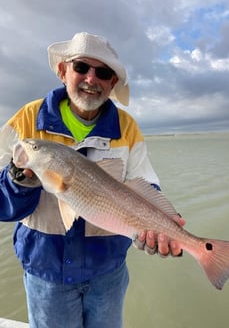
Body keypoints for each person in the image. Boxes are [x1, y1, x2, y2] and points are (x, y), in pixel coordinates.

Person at [0, 32, 185, 328]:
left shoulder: (128, 127)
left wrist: (163, 225)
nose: (91, 78)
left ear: (112, 83)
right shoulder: (26, 120)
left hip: (108, 274)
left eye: (103, 72)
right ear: (63, 71)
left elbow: (145, 184)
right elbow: (2, 206)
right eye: (81, 67)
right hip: (46, 273)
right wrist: (17, 183)